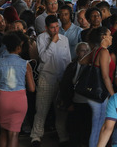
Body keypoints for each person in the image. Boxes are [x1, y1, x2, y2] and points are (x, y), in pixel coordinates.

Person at [0, 32, 35, 147]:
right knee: (14, 134)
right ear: (19, 47)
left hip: (3, 100)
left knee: (3, 132)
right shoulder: (25, 64)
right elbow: (32, 88)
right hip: (19, 100)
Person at [30, 15, 71, 147]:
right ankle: (36, 137)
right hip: (46, 78)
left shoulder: (64, 39)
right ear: (47, 28)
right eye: (52, 28)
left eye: (57, 27)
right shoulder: (41, 38)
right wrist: (53, 41)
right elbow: (44, 58)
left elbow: (67, 60)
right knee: (41, 109)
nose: (55, 30)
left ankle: (63, 136)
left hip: (61, 79)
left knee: (61, 110)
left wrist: (67, 80)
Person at [84, 27, 115, 147]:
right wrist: (113, 94)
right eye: (109, 34)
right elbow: (105, 76)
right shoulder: (103, 51)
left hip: (95, 93)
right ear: (103, 37)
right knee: (98, 126)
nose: (111, 37)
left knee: (97, 125)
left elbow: (82, 61)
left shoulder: (96, 50)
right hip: (100, 93)